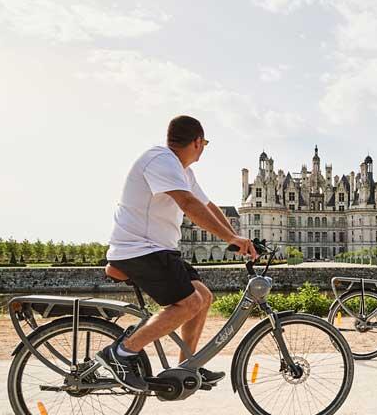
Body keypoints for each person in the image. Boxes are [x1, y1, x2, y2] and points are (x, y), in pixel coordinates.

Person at [96, 115, 258, 392]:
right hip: (139, 249)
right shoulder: (161, 160)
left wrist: (235, 235)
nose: (203, 148)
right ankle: (120, 353)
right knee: (188, 303)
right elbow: (187, 203)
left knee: (203, 298)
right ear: (197, 142)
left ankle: (187, 367)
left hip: (159, 250)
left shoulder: (183, 171)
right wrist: (229, 237)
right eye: (204, 143)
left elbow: (206, 205)